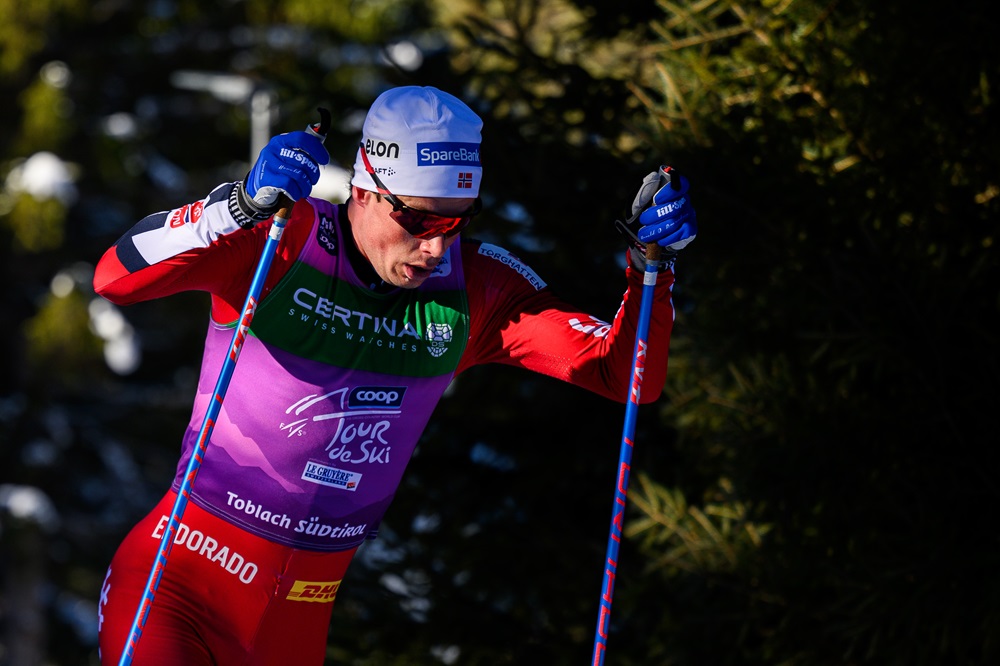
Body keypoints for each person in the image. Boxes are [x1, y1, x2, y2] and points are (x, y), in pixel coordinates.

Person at [92, 85, 696, 665]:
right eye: (418, 221)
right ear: (364, 189)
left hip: (295, 622)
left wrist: (653, 269)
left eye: (455, 223)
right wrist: (239, 206)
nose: (435, 248)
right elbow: (113, 278)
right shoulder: (286, 236)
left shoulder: (475, 290)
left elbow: (625, 375)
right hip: (177, 589)